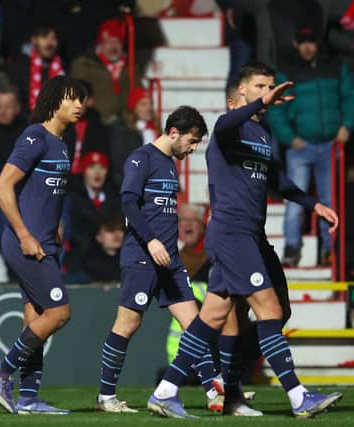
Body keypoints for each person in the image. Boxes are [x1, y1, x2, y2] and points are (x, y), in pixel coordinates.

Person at [147, 63, 342, 419]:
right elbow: (225, 124)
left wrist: (316, 205)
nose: (268, 91)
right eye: (259, 86)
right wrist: (259, 102)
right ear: (237, 96)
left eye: (270, 85)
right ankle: (299, 397)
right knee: (269, 309)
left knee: (216, 316)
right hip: (232, 233)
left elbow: (278, 182)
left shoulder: (263, 135)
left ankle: (168, 391)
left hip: (251, 236)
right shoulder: (228, 127)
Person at [94, 106, 216, 413]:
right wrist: (151, 241)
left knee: (194, 323)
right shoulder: (141, 158)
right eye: (192, 140)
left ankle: (217, 392)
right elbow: (127, 202)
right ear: (174, 132)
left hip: (170, 259)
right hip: (142, 255)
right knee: (128, 323)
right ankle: (105, 397)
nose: (192, 148)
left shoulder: (170, 164)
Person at [0, 75, 86, 415]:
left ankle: (28, 398)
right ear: (55, 100)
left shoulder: (62, 142)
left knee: (36, 319)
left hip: (45, 243)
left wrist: (53, 226)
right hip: (26, 243)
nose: (79, 105)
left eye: (82, 99)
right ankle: (1, 371)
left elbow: (45, 193)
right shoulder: (34, 136)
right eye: (73, 98)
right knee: (59, 313)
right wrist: (26, 235)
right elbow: (2, 188)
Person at [266, 26, 354, 267]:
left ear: (318, 43)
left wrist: (347, 125)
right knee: (295, 200)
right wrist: (290, 139)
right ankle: (292, 248)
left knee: (329, 201)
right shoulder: (288, 73)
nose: (307, 46)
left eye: (311, 41)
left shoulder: (336, 68)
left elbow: (350, 97)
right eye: (302, 41)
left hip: (331, 147)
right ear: (296, 44)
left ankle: (329, 249)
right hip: (300, 149)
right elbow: (277, 111)